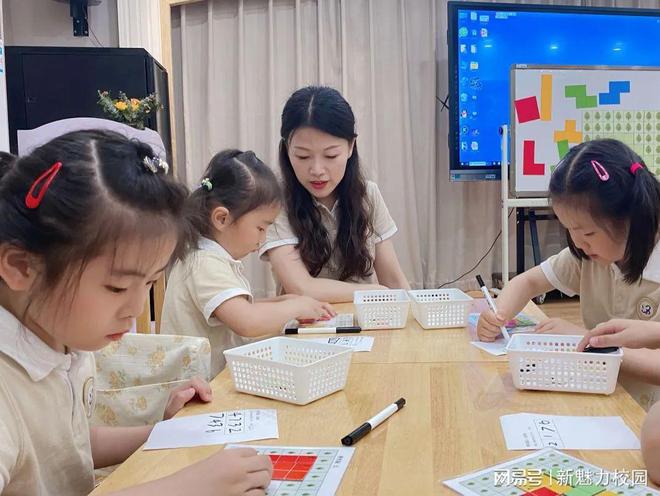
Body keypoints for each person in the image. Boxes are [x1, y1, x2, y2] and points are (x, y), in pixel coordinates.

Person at [0, 131, 272, 495]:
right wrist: (188, 486)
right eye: (116, 288)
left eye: (149, 284)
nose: (135, 310)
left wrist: (165, 430)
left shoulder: (64, 342)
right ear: (22, 267)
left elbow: (71, 449)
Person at [161, 149, 335, 376]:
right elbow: (247, 322)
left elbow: (240, 308)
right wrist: (296, 307)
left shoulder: (210, 256)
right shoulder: (204, 263)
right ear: (222, 218)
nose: (263, 239)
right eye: (260, 228)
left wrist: (286, 300)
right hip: (194, 394)